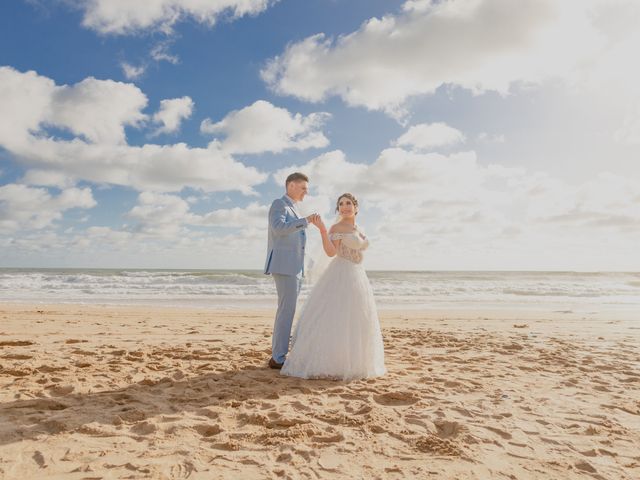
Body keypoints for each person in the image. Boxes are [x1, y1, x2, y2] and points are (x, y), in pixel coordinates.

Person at [280, 193, 386, 380]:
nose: (345, 207)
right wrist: (322, 230)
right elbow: (330, 252)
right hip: (341, 272)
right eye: (341, 204)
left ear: (356, 207)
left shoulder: (358, 227)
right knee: (336, 317)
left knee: (356, 317)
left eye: (348, 203)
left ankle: (352, 362)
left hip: (358, 274)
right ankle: (331, 363)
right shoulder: (337, 227)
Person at [264, 172, 320, 369]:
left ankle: (278, 355)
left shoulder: (294, 207)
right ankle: (278, 358)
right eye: (303, 187)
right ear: (291, 186)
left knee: (288, 311)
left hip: (295, 267)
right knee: (286, 311)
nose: (306, 192)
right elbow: (279, 228)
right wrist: (305, 221)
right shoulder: (279, 204)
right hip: (285, 266)